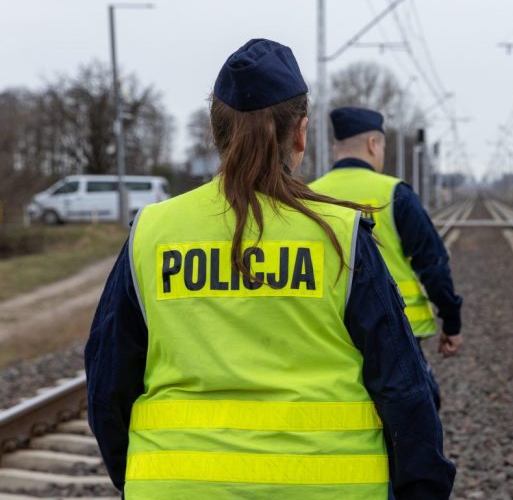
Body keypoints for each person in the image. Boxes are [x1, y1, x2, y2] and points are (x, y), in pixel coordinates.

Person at [85, 38, 455, 499]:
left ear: (215, 131)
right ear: (300, 134)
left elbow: (107, 385)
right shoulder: (339, 234)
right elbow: (403, 388)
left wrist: (139, 477)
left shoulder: (151, 231)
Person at [310, 107, 463, 375]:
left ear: (336, 148)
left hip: (328, 331)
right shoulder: (395, 193)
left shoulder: (309, 197)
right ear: (372, 144)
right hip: (397, 329)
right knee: (412, 409)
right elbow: (433, 264)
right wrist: (451, 322)